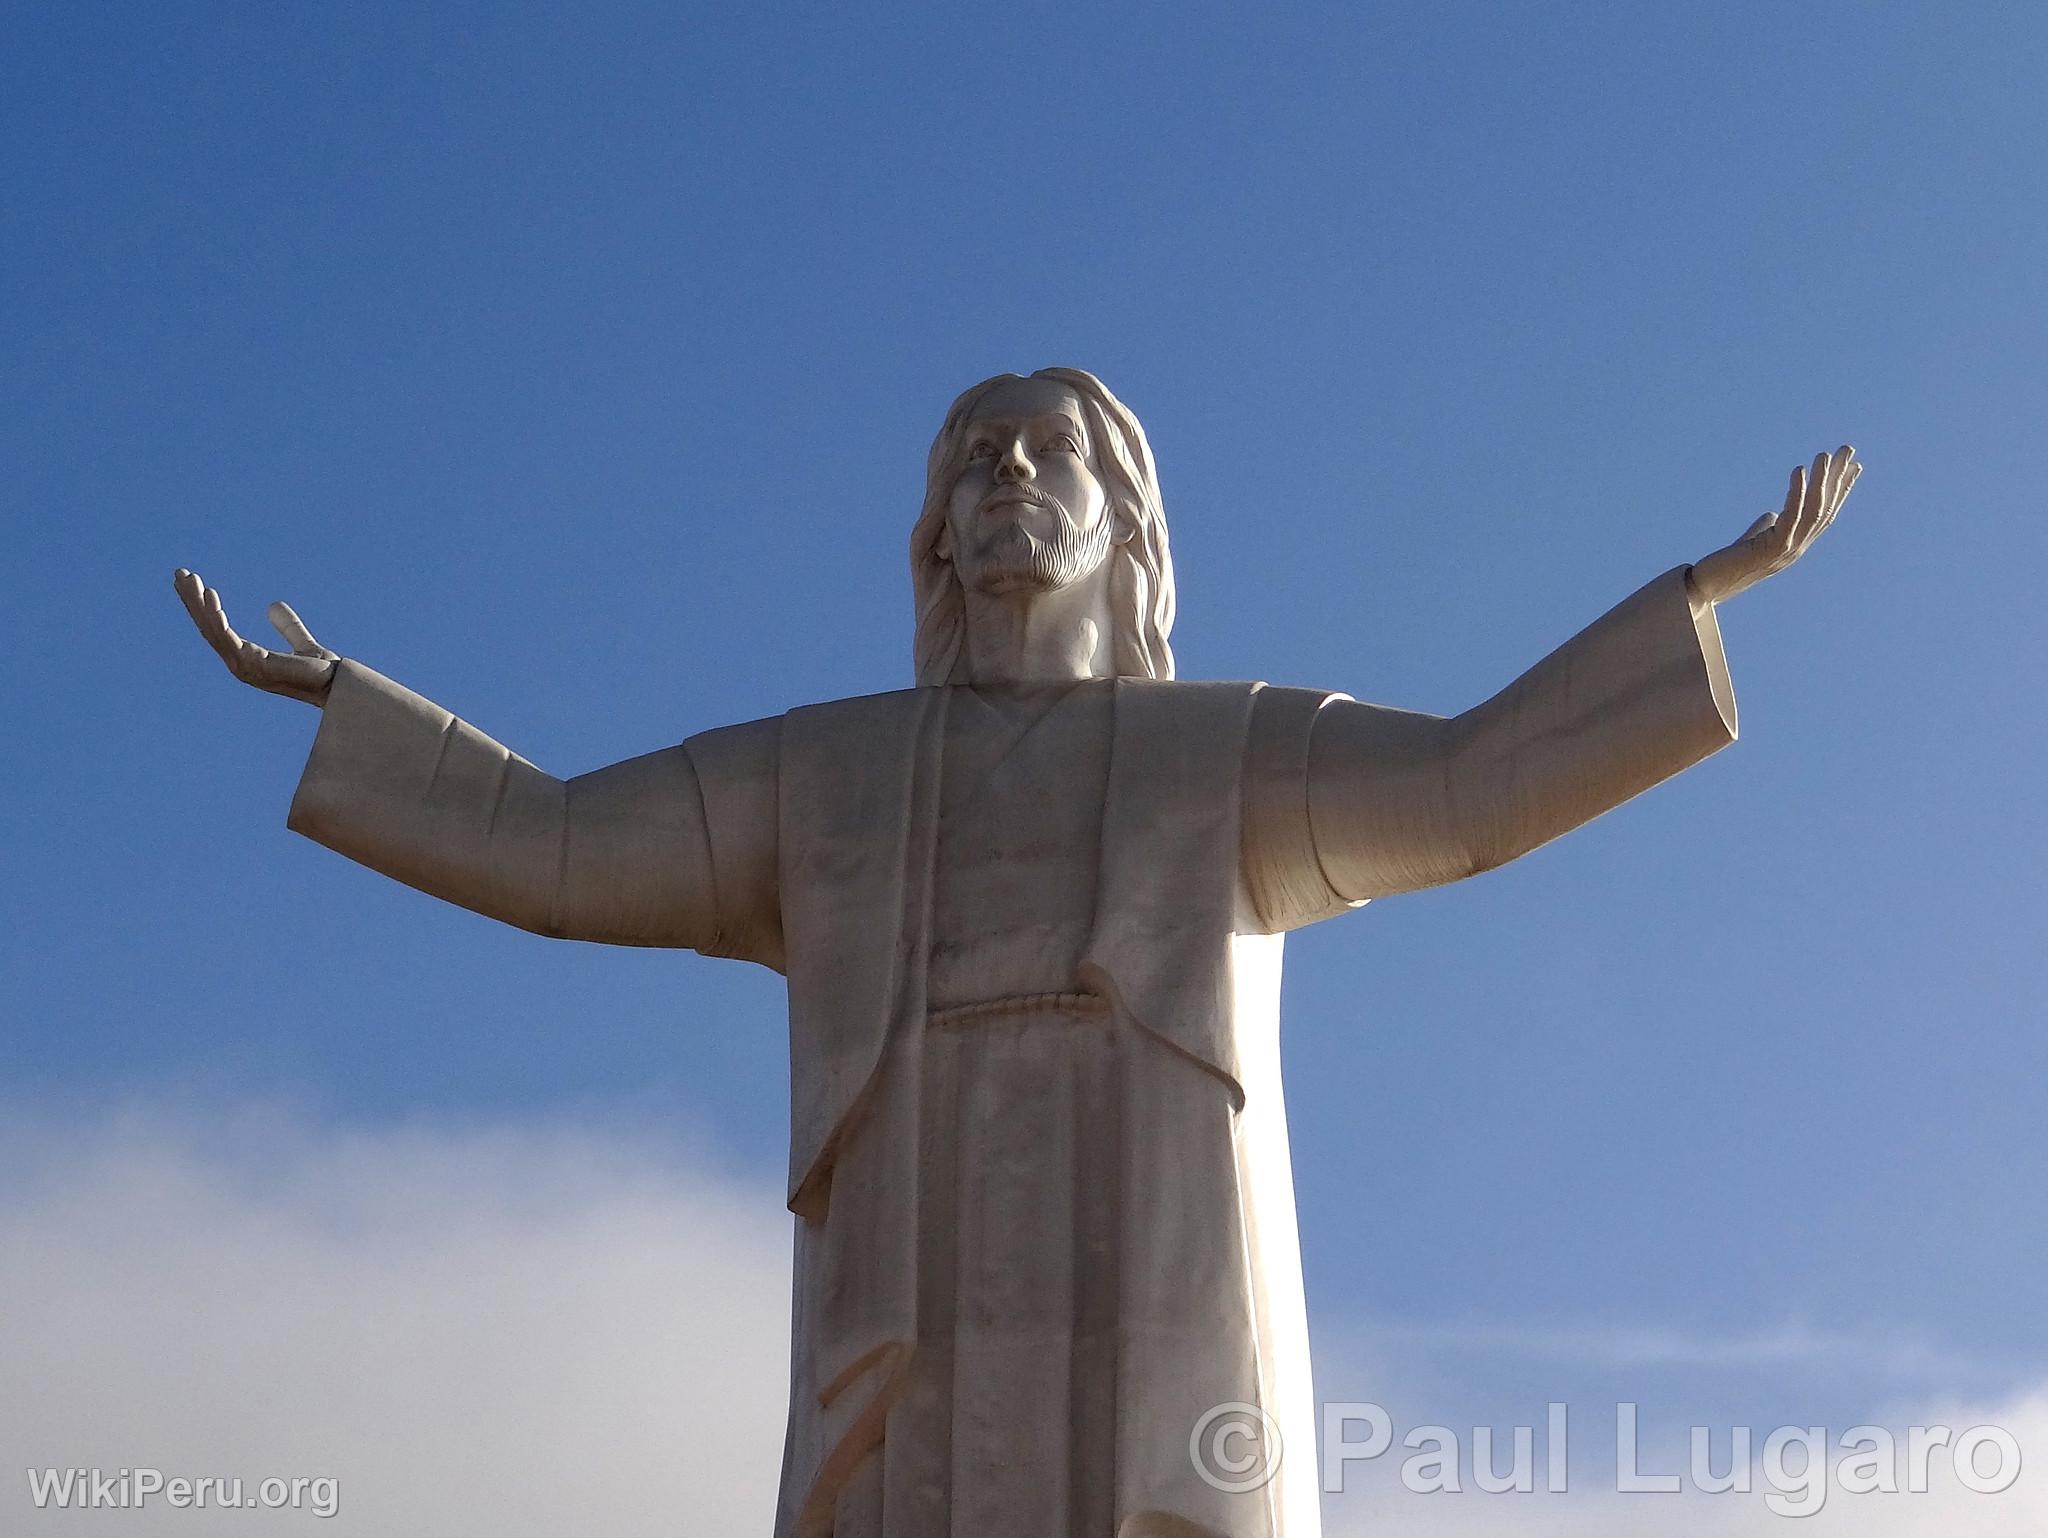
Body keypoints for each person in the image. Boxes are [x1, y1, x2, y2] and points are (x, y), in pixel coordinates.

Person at [176, 368, 1858, 1538]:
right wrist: (357, 715)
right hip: (912, 1233)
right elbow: (554, 845)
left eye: (1046, 454)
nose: (1003, 479)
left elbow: (1472, 782)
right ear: (931, 535)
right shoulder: (825, 771)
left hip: (1138, 1212)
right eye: (972, 458)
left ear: (1127, 530)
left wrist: (1701, 592)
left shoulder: (1230, 752)